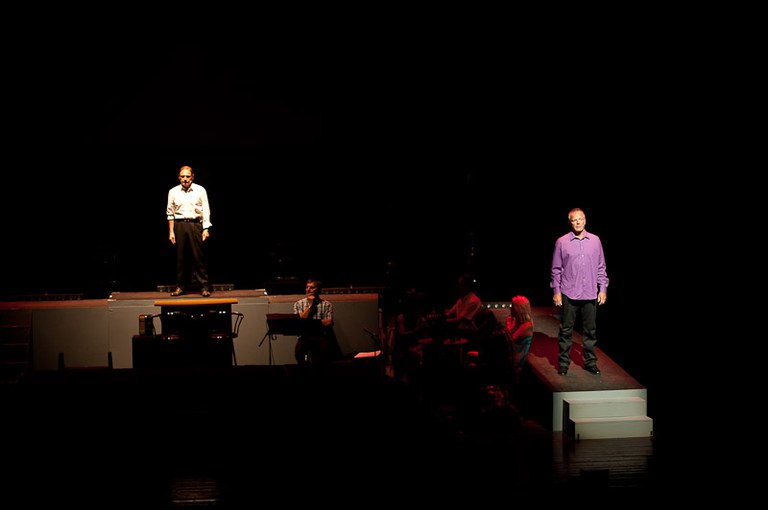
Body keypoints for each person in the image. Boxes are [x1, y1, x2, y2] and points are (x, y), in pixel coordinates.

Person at [550, 207, 609, 375]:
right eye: (574, 220)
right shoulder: (562, 242)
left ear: (585, 220)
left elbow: (601, 267)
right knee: (566, 330)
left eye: (581, 219)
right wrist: (556, 291)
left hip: (590, 292)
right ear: (570, 222)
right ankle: (563, 364)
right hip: (569, 292)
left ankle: (590, 363)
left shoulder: (595, 240)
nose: (578, 222)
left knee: (590, 331)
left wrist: (603, 288)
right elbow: (556, 269)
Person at [166, 165, 212, 297]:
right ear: (179, 177)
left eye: (187, 176)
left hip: (195, 224)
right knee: (180, 258)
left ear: (192, 177)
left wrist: (206, 228)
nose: (185, 179)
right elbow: (170, 213)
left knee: (198, 257)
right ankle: (180, 287)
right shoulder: (173, 192)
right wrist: (171, 232)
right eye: (183, 176)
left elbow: (206, 210)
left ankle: (204, 286)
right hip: (179, 225)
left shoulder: (200, 190)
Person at [293, 278, 342, 365]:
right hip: (304, 338)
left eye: (312, 287)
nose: (308, 290)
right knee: (300, 353)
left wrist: (309, 324)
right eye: (307, 287)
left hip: (320, 337)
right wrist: (310, 306)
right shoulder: (298, 304)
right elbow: (299, 321)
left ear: (318, 290)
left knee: (322, 358)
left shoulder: (326, 304)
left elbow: (328, 322)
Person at [505, 295, 534, 378]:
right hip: (512, 355)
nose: (510, 308)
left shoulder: (527, 325)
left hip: (517, 361)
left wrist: (508, 323)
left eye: (512, 307)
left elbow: (509, 340)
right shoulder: (516, 320)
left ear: (518, 309)